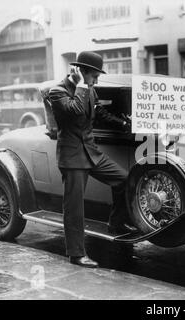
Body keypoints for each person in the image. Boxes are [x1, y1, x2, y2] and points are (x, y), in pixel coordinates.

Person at [49, 51, 137, 268]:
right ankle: (76, 254)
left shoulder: (89, 90)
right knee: (74, 207)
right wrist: (80, 85)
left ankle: (116, 224)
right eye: (94, 76)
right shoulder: (57, 92)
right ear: (81, 71)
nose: (96, 81)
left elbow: (99, 113)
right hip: (72, 157)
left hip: (91, 152)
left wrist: (124, 123)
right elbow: (75, 111)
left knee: (125, 180)